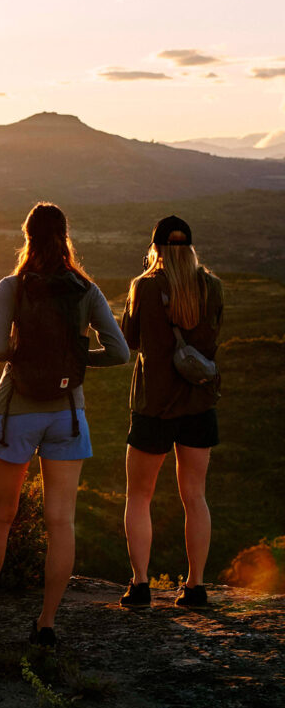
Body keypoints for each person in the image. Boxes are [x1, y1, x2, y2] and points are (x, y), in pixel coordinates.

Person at [0, 202, 129, 647]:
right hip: (68, 414)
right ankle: (46, 624)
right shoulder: (86, 290)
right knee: (62, 523)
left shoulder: (11, 286)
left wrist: (25, 356)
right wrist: (73, 359)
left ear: (27, 237)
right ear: (65, 238)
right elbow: (121, 352)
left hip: (15, 413)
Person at [119, 215, 223, 610]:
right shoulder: (211, 287)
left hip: (153, 406)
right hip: (198, 404)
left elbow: (129, 341)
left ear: (157, 248)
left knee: (139, 497)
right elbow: (213, 339)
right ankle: (196, 587)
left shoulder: (144, 287)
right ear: (190, 247)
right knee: (195, 497)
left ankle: (140, 585)